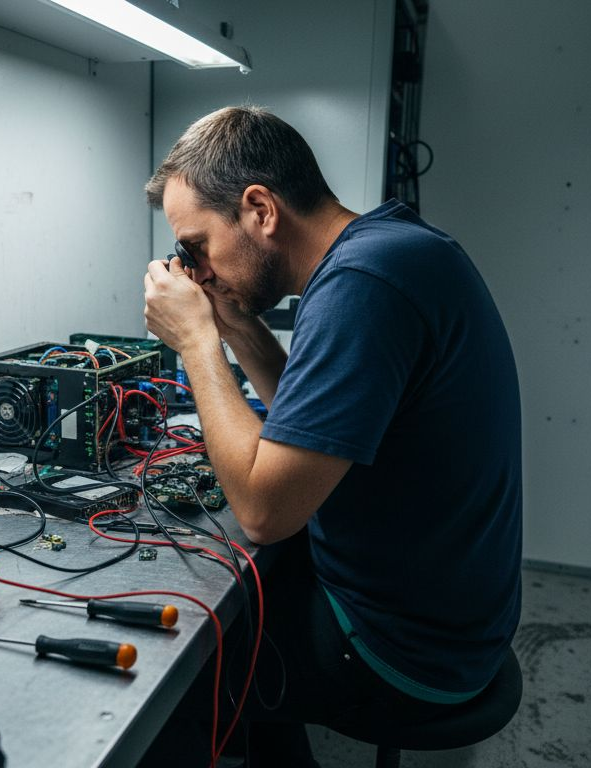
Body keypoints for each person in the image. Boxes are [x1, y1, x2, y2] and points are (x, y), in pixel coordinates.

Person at [138, 106, 523, 767]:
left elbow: (263, 512)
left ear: (260, 209)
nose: (196, 271)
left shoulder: (360, 286)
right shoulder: (389, 249)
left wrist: (197, 342)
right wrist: (236, 326)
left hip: (405, 648)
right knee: (246, 601)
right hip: (450, 613)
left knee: (170, 669)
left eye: (197, 246)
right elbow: (313, 421)